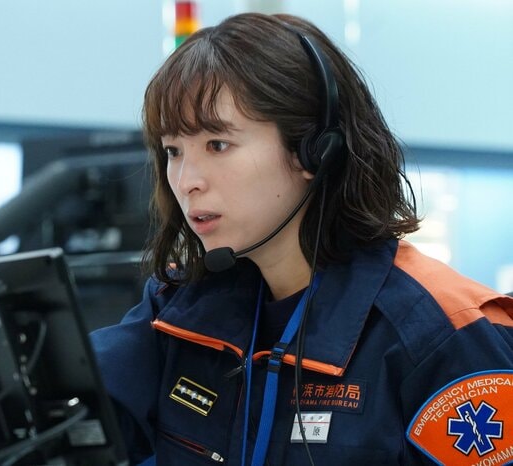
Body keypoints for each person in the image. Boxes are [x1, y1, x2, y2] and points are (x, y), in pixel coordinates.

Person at [90, 12, 513, 466]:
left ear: (314, 150)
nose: (186, 180)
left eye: (217, 145)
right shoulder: (178, 307)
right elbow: (70, 416)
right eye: (173, 151)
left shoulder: (445, 334)